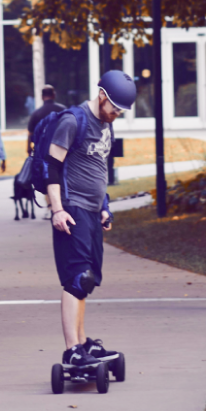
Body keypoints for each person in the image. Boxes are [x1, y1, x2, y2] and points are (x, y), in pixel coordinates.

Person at [46, 69, 136, 368]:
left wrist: (104, 206)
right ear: (102, 96)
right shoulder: (73, 120)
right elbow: (52, 168)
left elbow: (98, 169)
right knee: (76, 278)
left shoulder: (106, 126)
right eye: (116, 109)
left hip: (92, 211)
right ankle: (72, 349)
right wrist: (57, 209)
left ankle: (83, 343)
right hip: (72, 208)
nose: (117, 115)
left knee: (88, 280)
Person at [26, 85, 66, 154]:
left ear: (42, 97)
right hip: (60, 149)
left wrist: (29, 148)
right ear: (54, 95)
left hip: (41, 150)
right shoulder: (63, 110)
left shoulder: (36, 113)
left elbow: (30, 133)